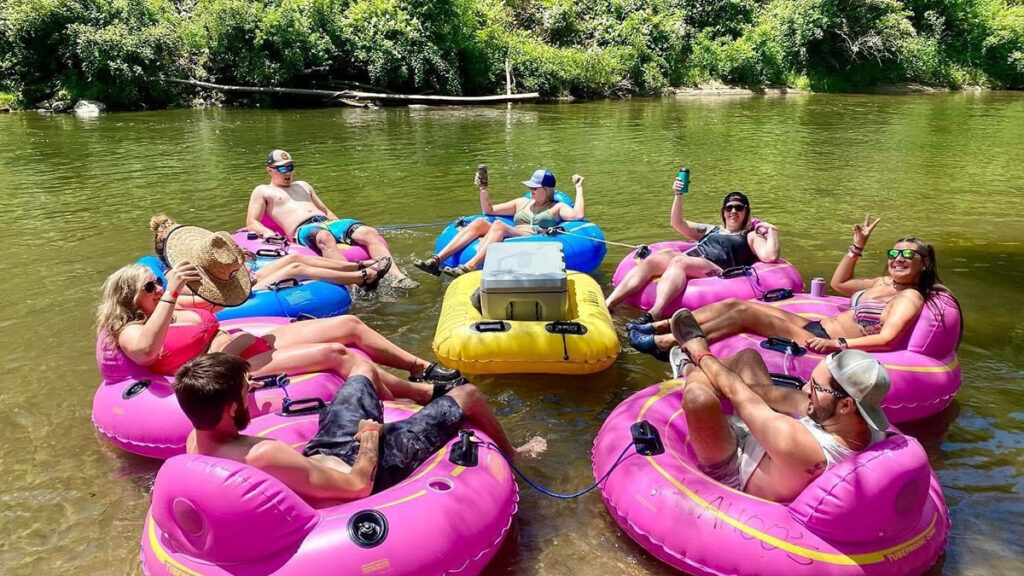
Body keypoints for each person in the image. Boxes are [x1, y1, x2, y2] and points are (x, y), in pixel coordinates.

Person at [96, 230, 461, 397]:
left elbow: (215, 301)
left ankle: (421, 367)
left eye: (157, 282)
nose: (158, 288)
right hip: (223, 366)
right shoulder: (131, 329)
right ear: (129, 298)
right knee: (335, 353)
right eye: (150, 287)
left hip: (239, 342)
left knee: (349, 324)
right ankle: (418, 395)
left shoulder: (170, 306)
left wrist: (220, 270)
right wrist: (170, 293)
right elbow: (146, 351)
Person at [174, 352, 547, 500]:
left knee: (362, 370)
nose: (253, 393)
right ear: (228, 408)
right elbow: (356, 486)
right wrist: (370, 438)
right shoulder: (263, 454)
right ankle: (515, 455)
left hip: (323, 452)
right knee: (469, 395)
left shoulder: (196, 441)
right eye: (245, 391)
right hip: (366, 467)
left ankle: (421, 395)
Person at [631, 215, 952, 358]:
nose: (898, 259)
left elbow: (888, 337)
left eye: (907, 254)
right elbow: (840, 283)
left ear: (924, 263)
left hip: (826, 339)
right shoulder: (884, 282)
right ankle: (658, 325)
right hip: (817, 325)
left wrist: (838, 346)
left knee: (743, 312)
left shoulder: (909, 296)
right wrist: (857, 247)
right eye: (894, 253)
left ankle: (666, 343)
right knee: (733, 305)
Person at [668, 309, 889, 502]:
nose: (805, 389)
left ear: (846, 405)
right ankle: (699, 373)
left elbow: (736, 391)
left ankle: (687, 369)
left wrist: (700, 352)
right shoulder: (869, 429)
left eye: (815, 387)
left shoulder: (798, 442)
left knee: (699, 396)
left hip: (734, 466)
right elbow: (787, 398)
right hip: (771, 451)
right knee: (748, 358)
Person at [606, 177, 780, 324]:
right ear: (724, 211)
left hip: (717, 269)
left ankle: (655, 313)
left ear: (746, 211)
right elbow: (677, 223)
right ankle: (608, 304)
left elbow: (770, 256)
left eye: (739, 207)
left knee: (679, 261)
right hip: (694, 260)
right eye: (729, 207)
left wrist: (771, 233)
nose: (733, 211)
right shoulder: (712, 230)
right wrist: (678, 195)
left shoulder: (749, 235)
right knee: (653, 260)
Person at [245, 150, 418, 289]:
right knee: (324, 237)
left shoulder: (303, 185)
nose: (288, 172)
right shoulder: (263, 191)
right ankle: (354, 283)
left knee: (368, 232)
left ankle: (398, 278)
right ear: (270, 170)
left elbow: (325, 210)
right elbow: (252, 222)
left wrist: (340, 228)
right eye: (282, 169)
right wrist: (268, 233)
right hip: (303, 229)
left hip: (325, 222)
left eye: (290, 167)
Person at [413, 168, 586, 277]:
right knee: (480, 222)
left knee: (498, 225)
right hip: (514, 231)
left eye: (534, 188)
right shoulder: (521, 202)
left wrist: (578, 188)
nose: (530, 190)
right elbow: (489, 211)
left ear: (547, 190)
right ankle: (436, 261)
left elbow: (578, 215)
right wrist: (483, 189)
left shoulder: (557, 207)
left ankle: (470, 266)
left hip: (533, 234)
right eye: (529, 187)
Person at [152, 215, 393, 292]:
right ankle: (363, 277)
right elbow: (216, 296)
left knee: (293, 258)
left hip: (241, 282)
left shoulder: (195, 263)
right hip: (239, 294)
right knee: (296, 269)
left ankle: (356, 266)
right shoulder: (177, 278)